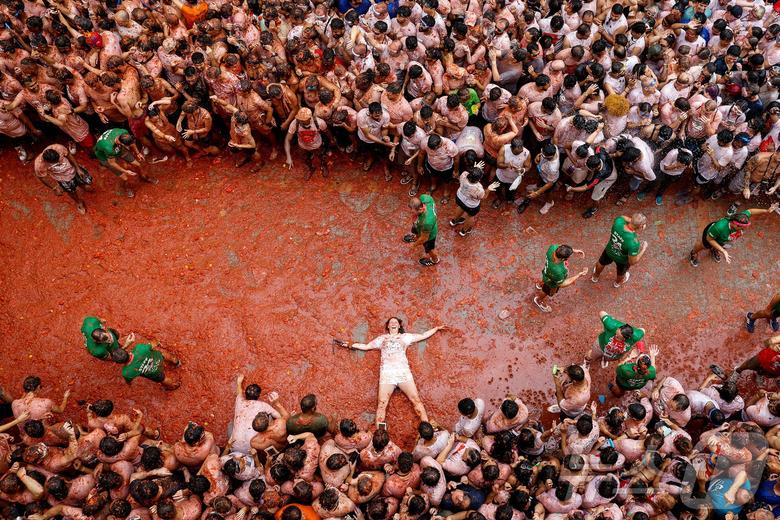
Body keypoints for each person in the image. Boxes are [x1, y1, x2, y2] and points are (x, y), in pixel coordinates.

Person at [337, 317, 445, 426]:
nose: (393, 323)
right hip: (387, 375)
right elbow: (366, 346)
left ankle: (427, 429)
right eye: (391, 322)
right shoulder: (381, 339)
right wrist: (348, 344)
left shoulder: (405, 337)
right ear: (388, 326)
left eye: (396, 322)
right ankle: (380, 436)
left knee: (416, 400)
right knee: (382, 404)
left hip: (403, 373)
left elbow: (423, 336)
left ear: (399, 326)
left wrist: (436, 329)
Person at [689, 204, 780, 267]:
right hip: (711, 236)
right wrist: (723, 251)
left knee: (722, 244)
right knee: (704, 246)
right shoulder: (719, 227)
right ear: (734, 224)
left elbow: (750, 211)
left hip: (725, 239)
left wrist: (766, 211)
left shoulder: (741, 217)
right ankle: (693, 253)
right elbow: (710, 239)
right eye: (742, 228)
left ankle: (715, 250)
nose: (744, 229)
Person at [93, 127, 157, 198]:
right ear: (121, 143)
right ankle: (126, 188)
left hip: (118, 149)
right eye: (127, 146)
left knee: (138, 164)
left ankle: (144, 177)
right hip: (105, 157)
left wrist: (138, 153)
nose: (129, 147)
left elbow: (132, 143)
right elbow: (112, 163)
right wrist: (126, 171)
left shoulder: (124, 133)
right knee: (124, 177)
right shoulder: (108, 148)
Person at [592, 213, 648, 288]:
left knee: (601, 262)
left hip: (609, 250)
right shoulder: (634, 243)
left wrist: (633, 221)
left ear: (631, 219)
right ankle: (617, 283)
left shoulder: (618, 222)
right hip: (622, 260)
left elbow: (622, 217)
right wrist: (643, 249)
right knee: (621, 272)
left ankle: (595, 277)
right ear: (641, 227)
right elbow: (632, 262)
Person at [33, 145, 92, 214]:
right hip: (62, 179)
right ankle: (78, 202)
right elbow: (41, 177)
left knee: (84, 180)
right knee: (71, 191)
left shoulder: (58, 147)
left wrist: (78, 169)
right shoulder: (39, 165)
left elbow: (69, 155)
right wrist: (54, 188)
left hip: (73, 170)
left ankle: (83, 186)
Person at [534, 244, 588, 313]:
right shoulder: (558, 272)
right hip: (551, 282)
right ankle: (538, 300)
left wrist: (573, 251)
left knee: (545, 277)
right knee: (546, 291)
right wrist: (579, 275)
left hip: (546, 272)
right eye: (569, 256)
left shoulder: (552, 248)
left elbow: (560, 247)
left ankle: (539, 284)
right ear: (563, 259)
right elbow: (562, 284)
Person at [404, 195, 439, 267]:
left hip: (429, 235)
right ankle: (416, 237)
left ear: (420, 209)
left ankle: (434, 260)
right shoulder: (425, 198)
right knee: (416, 231)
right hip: (419, 225)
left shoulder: (427, 222)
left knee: (430, 249)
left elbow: (424, 238)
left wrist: (414, 245)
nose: (411, 213)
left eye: (412, 211)